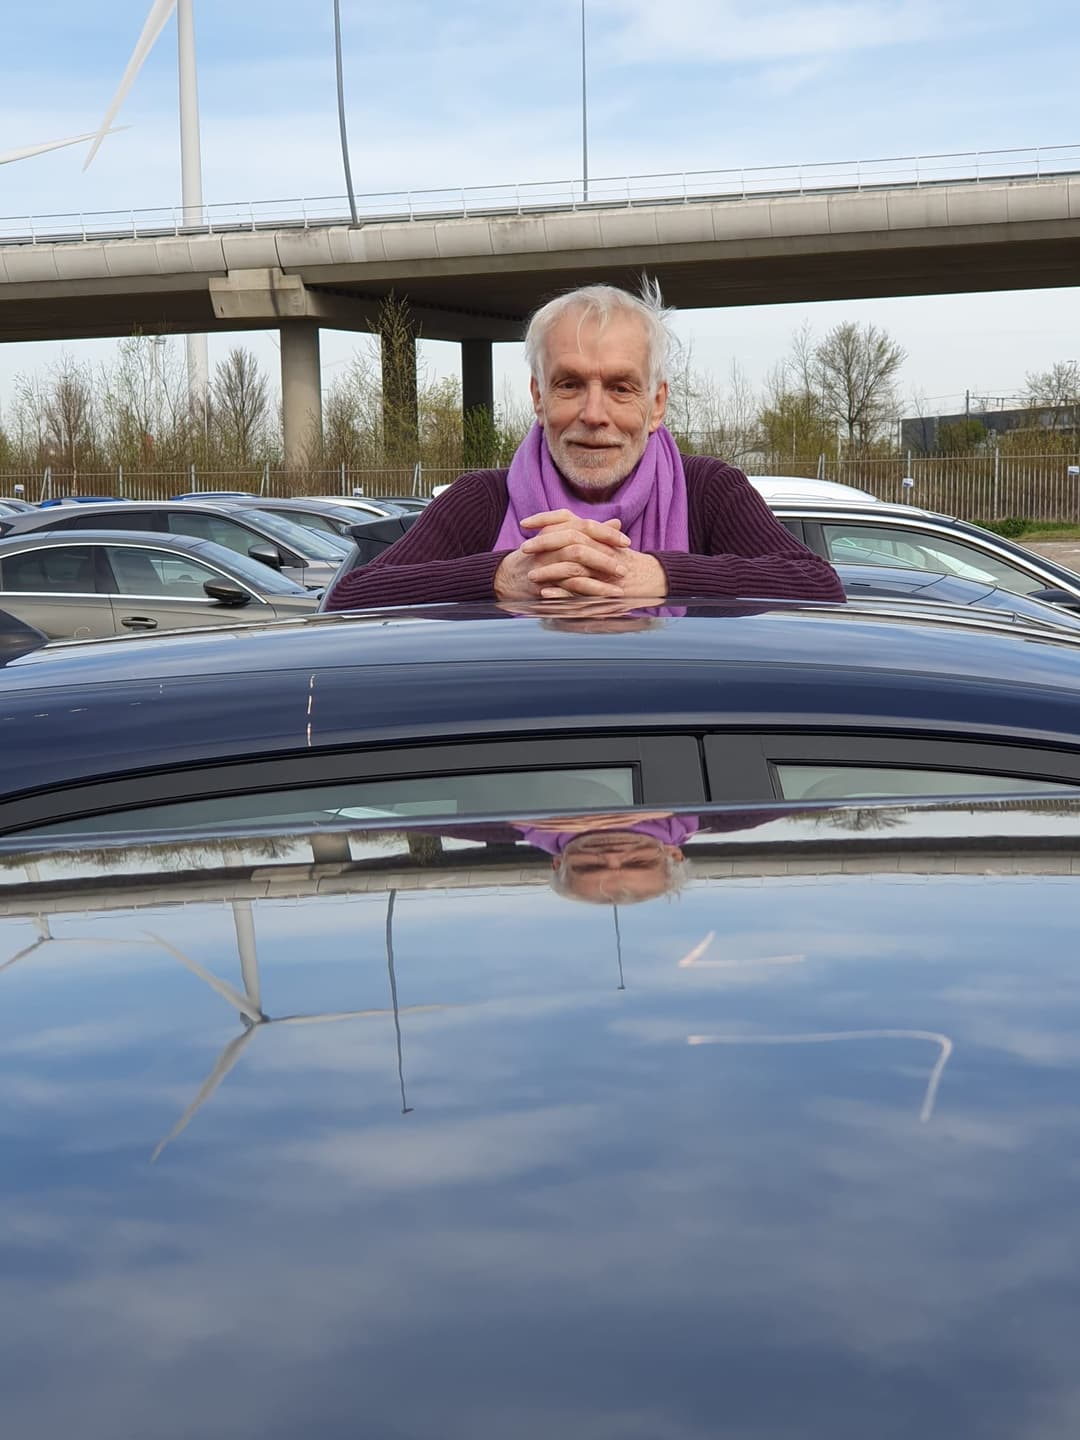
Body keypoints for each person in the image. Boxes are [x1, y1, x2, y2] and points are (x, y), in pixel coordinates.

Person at [323, 280, 844, 611]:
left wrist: (656, 574)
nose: (595, 415)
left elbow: (818, 585)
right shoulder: (482, 501)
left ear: (656, 404)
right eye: (570, 384)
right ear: (539, 396)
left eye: (621, 387)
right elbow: (348, 598)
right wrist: (500, 576)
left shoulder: (708, 490)